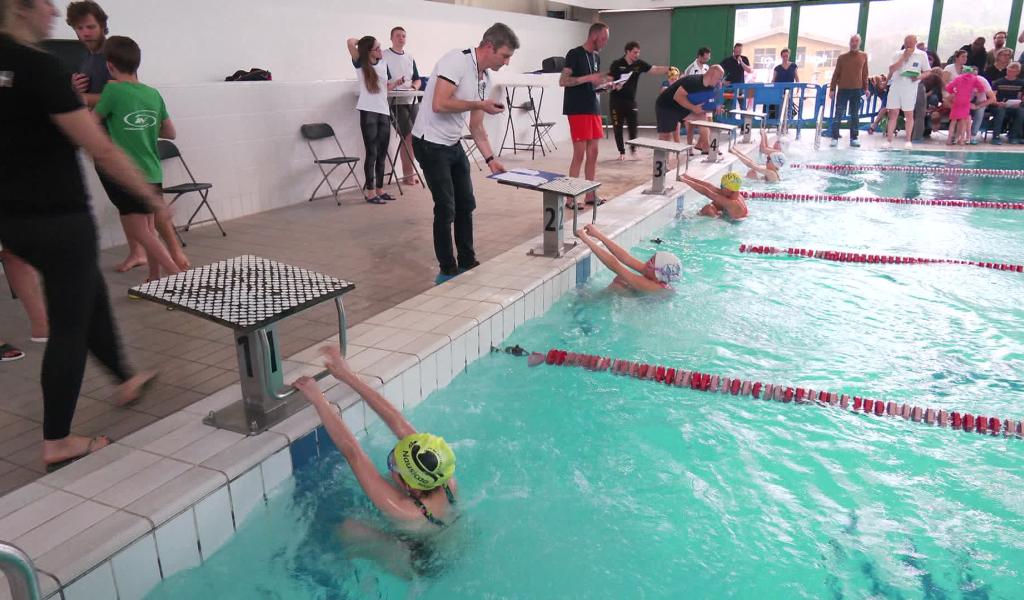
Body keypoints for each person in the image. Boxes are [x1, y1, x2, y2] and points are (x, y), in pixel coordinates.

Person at [1, 0, 160, 469]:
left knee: (88, 294)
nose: (52, 10)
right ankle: (58, 440)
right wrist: (149, 198)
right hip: (59, 217)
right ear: (19, 7)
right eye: (45, 3)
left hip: (13, 218)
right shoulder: (39, 66)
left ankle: (125, 378)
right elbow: (100, 148)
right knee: (70, 326)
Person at [292, 346, 457, 578]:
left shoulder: (402, 508)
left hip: (419, 563)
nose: (391, 469)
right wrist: (347, 375)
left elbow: (353, 454)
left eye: (394, 466)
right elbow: (397, 421)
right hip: (451, 543)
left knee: (346, 529)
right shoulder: (444, 479)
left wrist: (318, 399)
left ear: (409, 486)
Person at [412, 23, 515, 284]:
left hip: (452, 144)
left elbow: (476, 125)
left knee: (466, 204)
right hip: (429, 143)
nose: (507, 61)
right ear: (489, 47)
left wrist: (491, 160)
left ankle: (468, 262)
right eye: (505, 55)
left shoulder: (485, 78)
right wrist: (479, 103)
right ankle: (447, 269)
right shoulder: (455, 60)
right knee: (446, 207)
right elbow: (439, 103)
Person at [93, 36, 187, 283]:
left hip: (127, 173)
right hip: (152, 170)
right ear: (137, 64)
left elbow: (91, 125)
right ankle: (154, 276)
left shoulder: (112, 90)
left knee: (140, 232)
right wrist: (145, 128)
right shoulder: (152, 93)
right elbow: (170, 133)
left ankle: (175, 276)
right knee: (149, 228)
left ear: (109, 65)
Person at [560, 22, 611, 208]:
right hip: (577, 109)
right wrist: (587, 78)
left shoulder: (596, 57)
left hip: (592, 107)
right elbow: (563, 81)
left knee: (593, 152)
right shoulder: (574, 54)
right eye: (604, 38)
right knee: (579, 153)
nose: (605, 42)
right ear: (594, 36)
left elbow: (595, 85)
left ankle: (590, 195)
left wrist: (606, 86)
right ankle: (570, 198)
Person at [348, 35, 404, 204]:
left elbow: (384, 87)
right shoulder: (360, 63)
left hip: (383, 112)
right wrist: (363, 43)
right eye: (377, 48)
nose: (381, 51)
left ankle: (380, 189)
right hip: (368, 111)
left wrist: (395, 84)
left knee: (382, 153)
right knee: (371, 152)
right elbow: (350, 42)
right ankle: (370, 192)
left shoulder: (383, 63)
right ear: (369, 52)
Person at [607, 41, 670, 161]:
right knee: (617, 127)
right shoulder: (617, 64)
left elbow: (654, 69)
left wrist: (669, 69)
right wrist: (613, 85)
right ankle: (622, 152)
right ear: (627, 51)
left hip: (630, 101)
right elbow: (609, 79)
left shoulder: (639, 64)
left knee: (633, 126)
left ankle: (634, 150)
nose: (637, 55)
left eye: (638, 52)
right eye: (635, 52)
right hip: (616, 101)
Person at [575, 225, 680, 294]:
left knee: (619, 283)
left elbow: (614, 266)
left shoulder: (651, 286)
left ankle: (591, 303)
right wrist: (598, 235)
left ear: (658, 272)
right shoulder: (657, 275)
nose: (647, 262)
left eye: (652, 261)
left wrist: (585, 239)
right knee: (621, 280)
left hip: (642, 312)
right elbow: (625, 257)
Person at [382, 26, 421, 187]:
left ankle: (410, 172)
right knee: (408, 137)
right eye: (398, 35)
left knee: (417, 136)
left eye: (404, 36)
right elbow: (383, 80)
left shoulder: (410, 57)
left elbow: (417, 79)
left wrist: (414, 87)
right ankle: (408, 175)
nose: (401, 38)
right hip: (395, 101)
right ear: (391, 38)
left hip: (411, 99)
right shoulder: (384, 56)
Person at [655, 65, 724, 154]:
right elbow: (677, 96)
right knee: (666, 136)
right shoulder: (693, 82)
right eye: (719, 78)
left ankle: (706, 147)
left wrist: (716, 107)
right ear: (711, 75)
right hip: (666, 105)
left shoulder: (712, 86)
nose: (719, 81)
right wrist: (694, 108)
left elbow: (710, 101)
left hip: (682, 106)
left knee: (702, 118)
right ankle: (662, 162)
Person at [885, 35, 929, 148]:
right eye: (906, 42)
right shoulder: (897, 54)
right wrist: (904, 57)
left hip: (910, 88)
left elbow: (928, 71)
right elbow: (891, 69)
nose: (908, 44)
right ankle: (889, 139)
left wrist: (919, 76)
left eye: (911, 42)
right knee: (893, 113)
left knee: (909, 114)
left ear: (915, 42)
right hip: (896, 86)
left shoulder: (921, 55)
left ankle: (908, 140)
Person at [65, 0, 107, 108]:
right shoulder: (86, 55)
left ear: (102, 27)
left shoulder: (117, 53)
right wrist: (75, 87)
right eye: (79, 28)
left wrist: (77, 97)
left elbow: (123, 96)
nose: (86, 33)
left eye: (91, 27)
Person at [829, 34, 868, 148]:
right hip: (843, 89)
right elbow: (836, 74)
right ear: (849, 43)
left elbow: (865, 74)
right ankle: (835, 137)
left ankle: (854, 138)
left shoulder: (863, 56)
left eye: (856, 41)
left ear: (859, 43)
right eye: (852, 41)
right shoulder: (842, 57)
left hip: (857, 90)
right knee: (839, 114)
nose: (854, 43)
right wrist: (832, 89)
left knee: (855, 115)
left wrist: (866, 89)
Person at [680, 172, 748, 220]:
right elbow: (710, 187)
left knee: (708, 208)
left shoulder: (732, 203)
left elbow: (707, 192)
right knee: (715, 204)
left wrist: (684, 180)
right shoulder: (734, 192)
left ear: (727, 189)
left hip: (732, 226)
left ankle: (690, 220)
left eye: (721, 186)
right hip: (729, 218)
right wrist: (688, 178)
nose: (720, 188)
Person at [946, 66, 987, 145]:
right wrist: (976, 92)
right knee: (963, 121)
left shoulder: (958, 78)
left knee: (953, 121)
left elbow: (948, 88)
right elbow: (982, 88)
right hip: (966, 101)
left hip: (957, 100)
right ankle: (961, 140)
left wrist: (954, 92)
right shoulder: (974, 79)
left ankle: (949, 139)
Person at [989, 62, 1024, 145]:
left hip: (1014, 106)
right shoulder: (998, 82)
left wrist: (1020, 103)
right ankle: (996, 137)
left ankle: (1013, 136)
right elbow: (992, 97)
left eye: (1013, 71)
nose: (1010, 73)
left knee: (1021, 111)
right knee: (1001, 111)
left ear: (1017, 72)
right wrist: (998, 103)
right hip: (998, 105)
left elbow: (1021, 97)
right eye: (1009, 70)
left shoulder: (1021, 83)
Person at [660, 66, 682, 143]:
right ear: (668, 78)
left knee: (676, 135)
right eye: (672, 79)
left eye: (676, 79)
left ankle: (677, 154)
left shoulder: (680, 85)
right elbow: (663, 91)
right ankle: (663, 152)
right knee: (665, 136)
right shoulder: (665, 84)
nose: (674, 81)